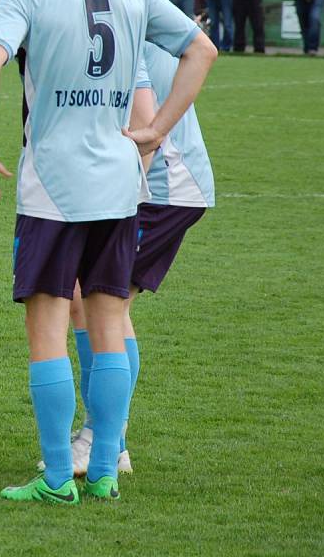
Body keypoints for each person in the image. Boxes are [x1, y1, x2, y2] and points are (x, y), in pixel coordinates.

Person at [0, 0, 216, 504]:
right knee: (107, 321)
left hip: (53, 186)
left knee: (49, 326)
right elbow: (201, 49)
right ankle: (104, 470)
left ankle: (55, 478)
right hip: (119, 184)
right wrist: (155, 129)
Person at [65, 41, 215, 477]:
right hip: (159, 186)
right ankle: (111, 442)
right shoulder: (120, 10)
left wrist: (121, 199)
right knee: (94, 301)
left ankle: (102, 440)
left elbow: (144, 122)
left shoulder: (117, 22)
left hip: (161, 188)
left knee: (101, 304)